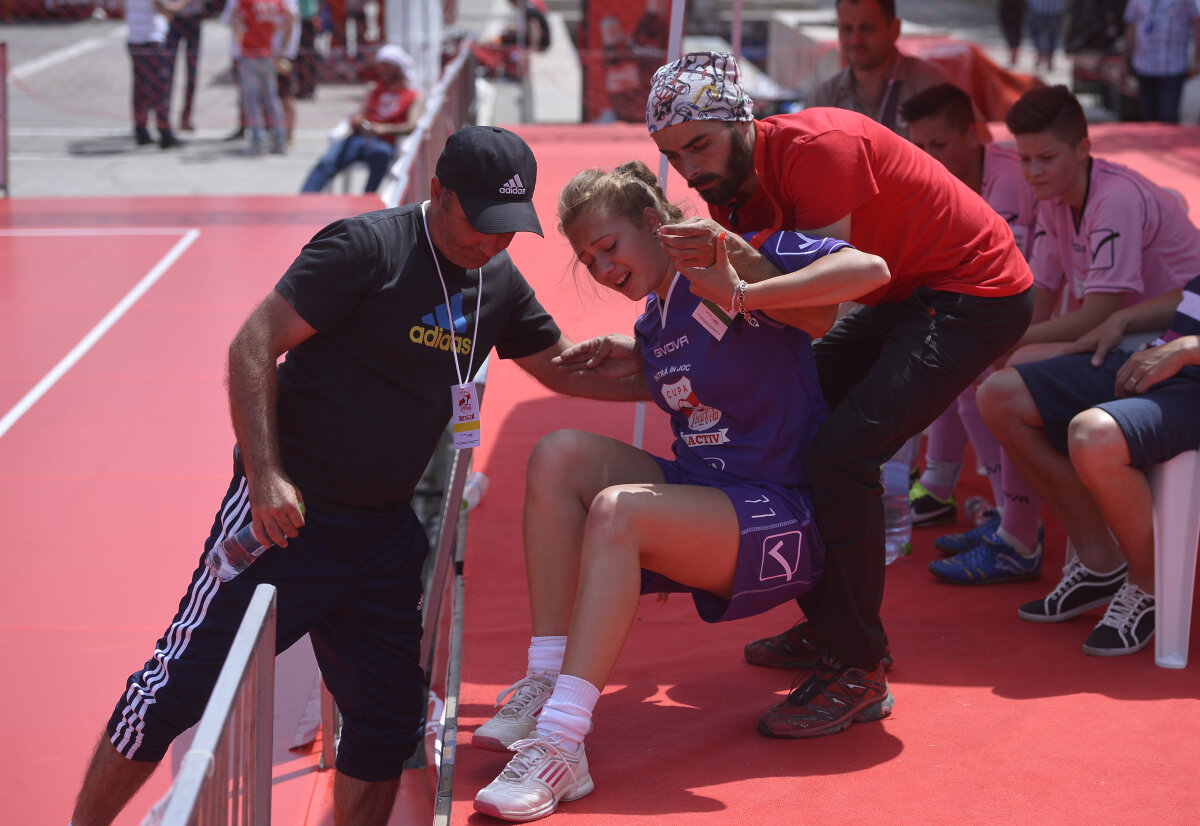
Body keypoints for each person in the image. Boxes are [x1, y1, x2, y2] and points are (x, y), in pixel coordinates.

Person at [68, 126, 649, 826]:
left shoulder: (497, 280)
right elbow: (254, 342)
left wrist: (680, 375)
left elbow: (559, 367)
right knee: (174, 691)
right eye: (479, 224)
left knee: (385, 722)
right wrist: (265, 476)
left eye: (507, 229)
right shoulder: (365, 249)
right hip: (288, 521)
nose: (492, 243)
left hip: (382, 538)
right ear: (438, 192)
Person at [470, 160, 890, 822]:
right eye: (588, 260)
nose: (603, 270)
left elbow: (871, 274)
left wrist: (743, 280)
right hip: (705, 498)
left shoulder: (735, 255)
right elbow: (657, 376)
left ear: (652, 222)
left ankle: (561, 743)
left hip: (779, 513)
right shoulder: (654, 324)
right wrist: (510, 323)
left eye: (607, 247)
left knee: (619, 511)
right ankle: (547, 682)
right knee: (558, 455)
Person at [646, 51, 1034, 738]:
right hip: (908, 291)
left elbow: (824, 301)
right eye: (675, 155)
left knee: (841, 454)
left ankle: (858, 666)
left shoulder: (819, 149)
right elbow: (778, 302)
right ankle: (830, 624)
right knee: (790, 420)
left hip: (975, 291)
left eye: (699, 144)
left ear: (742, 121)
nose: (692, 168)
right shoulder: (724, 181)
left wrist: (735, 291)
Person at [930, 84, 1200, 585]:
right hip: (1130, 338)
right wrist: (993, 336)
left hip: (1170, 349)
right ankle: (1020, 530)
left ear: (1083, 148)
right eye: (1026, 158)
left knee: (1008, 369)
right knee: (991, 366)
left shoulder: (1114, 197)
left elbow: (1101, 311)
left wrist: (1009, 345)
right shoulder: (1055, 197)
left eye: (1047, 158)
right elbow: (1041, 296)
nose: (1033, 171)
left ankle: (1027, 538)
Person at [977, 275, 1200, 655]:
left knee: (1092, 435)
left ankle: (1149, 585)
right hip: (1157, 357)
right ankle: (1099, 560)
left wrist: (1187, 349)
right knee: (999, 395)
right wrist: (1125, 320)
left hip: (1190, 380)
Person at [899, 82, 1038, 527]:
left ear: (974, 135)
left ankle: (1009, 519)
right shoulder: (930, 178)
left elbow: (1003, 279)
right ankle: (941, 487)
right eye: (918, 145)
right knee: (945, 347)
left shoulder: (1010, 178)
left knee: (966, 362)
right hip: (1028, 293)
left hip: (1057, 296)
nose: (926, 155)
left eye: (938, 144)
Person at [805, 0, 952, 139]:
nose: (856, 40)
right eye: (847, 29)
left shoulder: (931, 85)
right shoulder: (822, 100)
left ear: (895, 30)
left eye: (867, 29)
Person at [301, 45, 422, 194]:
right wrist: (356, 120)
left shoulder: (412, 96)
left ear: (398, 70)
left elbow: (412, 125)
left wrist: (383, 129)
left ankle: (367, 200)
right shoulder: (374, 89)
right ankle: (305, 197)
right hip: (359, 138)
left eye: (387, 67)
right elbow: (360, 112)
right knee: (327, 161)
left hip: (383, 142)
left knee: (381, 155)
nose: (382, 71)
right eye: (382, 67)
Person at [1121, 0, 1200, 124]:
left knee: (1167, 117)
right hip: (1144, 66)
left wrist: (1197, 61)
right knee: (1147, 119)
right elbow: (1132, 26)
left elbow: (1197, 24)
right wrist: (1125, 62)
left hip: (1173, 67)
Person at [231, 0, 293, 155]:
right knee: (271, 97)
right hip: (267, 52)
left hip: (250, 53)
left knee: (252, 99)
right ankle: (279, 140)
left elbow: (235, 20)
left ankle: (257, 140)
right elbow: (290, 17)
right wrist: (281, 47)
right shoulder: (274, 2)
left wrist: (240, 39)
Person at [126, 0, 188, 149]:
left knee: (140, 87)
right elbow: (163, 8)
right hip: (150, 40)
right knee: (160, 88)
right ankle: (164, 131)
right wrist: (182, 3)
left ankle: (141, 129)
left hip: (135, 37)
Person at [165, 0, 204, 132]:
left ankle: (185, 118)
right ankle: (164, 118)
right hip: (174, 20)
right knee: (167, 72)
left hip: (194, 20)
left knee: (192, 74)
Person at [1027, 0, 1065, 73]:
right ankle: (1046, 55)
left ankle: (1043, 53)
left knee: (1051, 34)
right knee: (1053, 35)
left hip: (1039, 7)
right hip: (1055, 8)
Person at [999, 0, 1028, 66]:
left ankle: (1013, 50)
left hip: (1011, 7)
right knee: (1015, 31)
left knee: (1011, 31)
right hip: (1017, 7)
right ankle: (1014, 50)